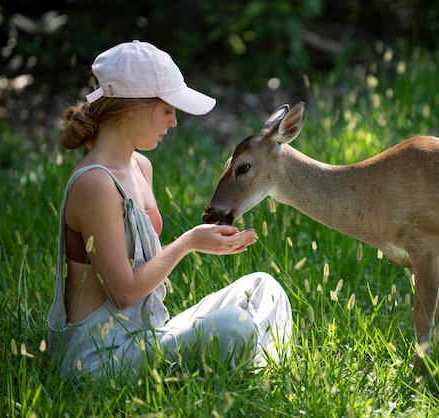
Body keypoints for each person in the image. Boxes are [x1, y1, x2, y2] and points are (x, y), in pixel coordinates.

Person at [47, 40, 292, 380]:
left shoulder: (140, 167)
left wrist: (205, 242)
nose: (174, 121)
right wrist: (189, 242)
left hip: (147, 336)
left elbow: (141, 266)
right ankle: (249, 362)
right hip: (99, 359)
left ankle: (251, 364)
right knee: (233, 326)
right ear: (133, 107)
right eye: (167, 109)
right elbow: (124, 292)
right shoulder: (96, 184)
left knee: (265, 288)